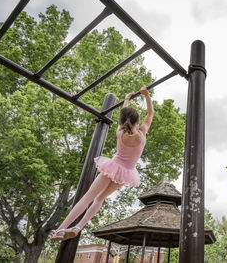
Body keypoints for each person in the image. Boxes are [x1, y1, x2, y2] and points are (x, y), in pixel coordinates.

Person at [51, 86, 154, 241]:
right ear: (138, 121)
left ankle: (60, 229)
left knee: (88, 197)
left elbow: (123, 116)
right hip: (127, 173)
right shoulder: (143, 133)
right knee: (100, 199)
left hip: (113, 168)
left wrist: (126, 100)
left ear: (121, 121)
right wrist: (147, 96)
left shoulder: (120, 132)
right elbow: (150, 114)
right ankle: (78, 227)